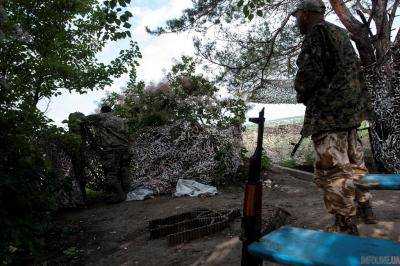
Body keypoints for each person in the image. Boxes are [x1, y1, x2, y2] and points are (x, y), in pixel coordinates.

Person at [292, 0, 376, 235]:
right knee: (356, 166)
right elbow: (354, 72)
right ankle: (365, 208)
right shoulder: (339, 33)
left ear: (307, 15)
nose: (296, 20)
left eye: (298, 15)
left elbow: (309, 73)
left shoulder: (316, 34)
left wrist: (301, 91)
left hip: (329, 117)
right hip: (349, 115)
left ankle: (346, 227)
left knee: (335, 173)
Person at [83, 105, 131, 203]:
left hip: (112, 150)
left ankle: (120, 196)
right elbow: (127, 133)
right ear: (111, 111)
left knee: (111, 174)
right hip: (125, 148)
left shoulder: (102, 117)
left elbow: (85, 119)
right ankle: (127, 192)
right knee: (124, 170)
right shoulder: (121, 120)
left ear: (102, 112)